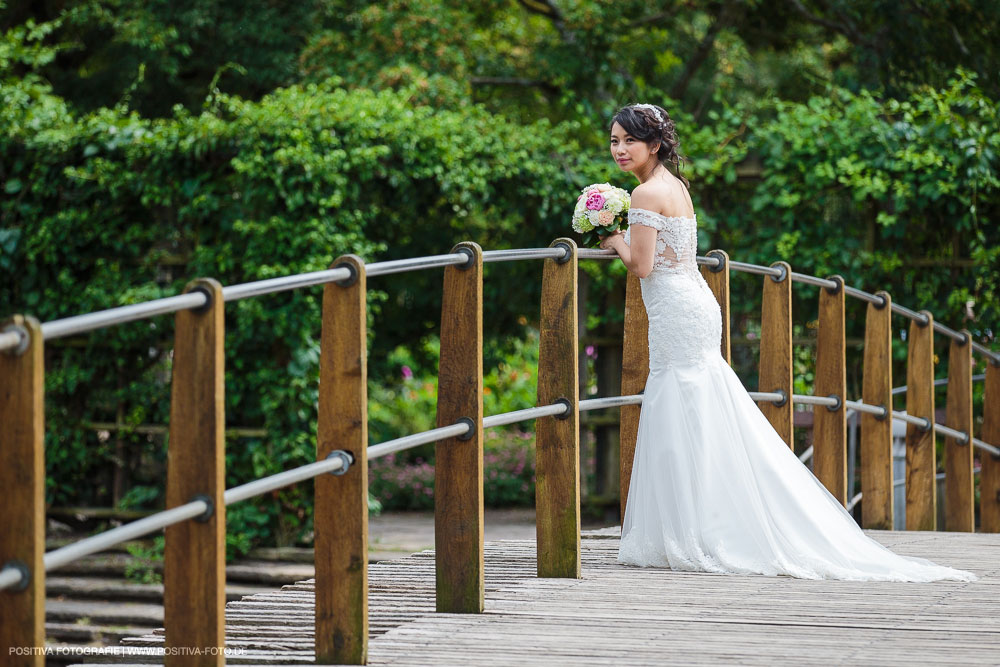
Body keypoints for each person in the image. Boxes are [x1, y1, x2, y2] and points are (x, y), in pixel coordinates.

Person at [598, 103, 977, 582]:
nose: (619, 149)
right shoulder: (675, 186)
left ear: (653, 144)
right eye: (613, 141)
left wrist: (611, 238)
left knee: (681, 406)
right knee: (701, 408)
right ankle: (699, 522)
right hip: (694, 303)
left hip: (676, 309)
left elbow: (643, 266)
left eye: (628, 140)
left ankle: (690, 528)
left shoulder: (646, 193)